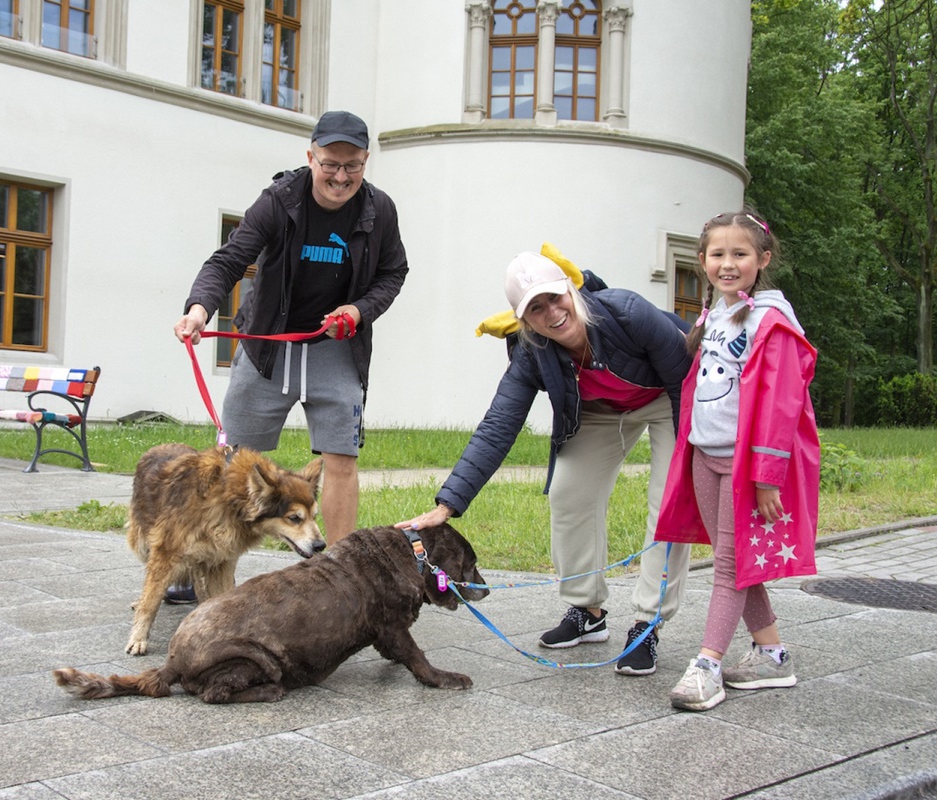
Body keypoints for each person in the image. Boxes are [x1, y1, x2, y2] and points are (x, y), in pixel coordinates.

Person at [396, 245, 694, 676]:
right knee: (568, 492)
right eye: (536, 308)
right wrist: (447, 505)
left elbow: (684, 377)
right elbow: (498, 425)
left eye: (556, 297)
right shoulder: (532, 351)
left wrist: (689, 460)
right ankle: (587, 611)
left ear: (572, 291)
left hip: (667, 397)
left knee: (667, 503)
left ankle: (648, 623)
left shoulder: (626, 311)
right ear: (524, 319)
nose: (552, 312)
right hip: (599, 409)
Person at [171, 110, 409, 603]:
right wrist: (198, 310)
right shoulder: (278, 202)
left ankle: (341, 582)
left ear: (366, 162)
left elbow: (393, 273)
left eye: (353, 166)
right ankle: (206, 565)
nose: (341, 176)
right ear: (311, 157)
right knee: (230, 462)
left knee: (341, 457)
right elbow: (229, 260)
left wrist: (360, 311)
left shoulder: (379, 210)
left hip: (335, 348)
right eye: (330, 164)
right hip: (267, 347)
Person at [657, 210, 819, 711]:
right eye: (718, 254)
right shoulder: (715, 315)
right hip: (706, 456)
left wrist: (767, 477)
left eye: (740, 254)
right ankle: (772, 654)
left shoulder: (772, 320)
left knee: (728, 565)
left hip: (748, 465)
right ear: (703, 260)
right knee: (736, 561)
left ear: (762, 259)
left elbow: (780, 403)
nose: (728, 264)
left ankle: (706, 666)